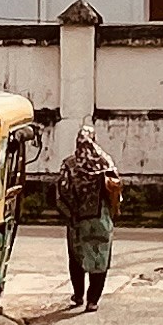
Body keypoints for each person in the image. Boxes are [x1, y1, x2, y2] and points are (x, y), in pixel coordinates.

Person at [56, 131, 117, 310]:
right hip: (101, 220)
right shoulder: (106, 162)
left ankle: (78, 296)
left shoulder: (69, 165)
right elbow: (116, 190)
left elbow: (61, 192)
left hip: (77, 222)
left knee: (77, 258)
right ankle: (93, 300)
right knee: (100, 258)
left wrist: (69, 212)